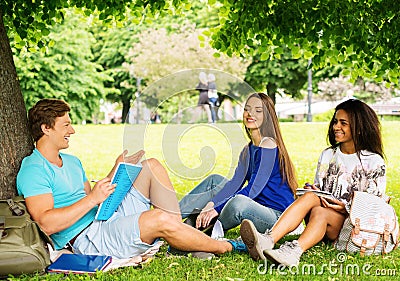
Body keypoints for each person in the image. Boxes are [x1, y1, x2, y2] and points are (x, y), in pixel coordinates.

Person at [16, 99, 246, 260]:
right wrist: (92, 200)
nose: (73, 130)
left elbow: (90, 197)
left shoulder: (72, 161)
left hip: (103, 219)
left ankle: (180, 239)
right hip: (88, 239)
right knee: (158, 219)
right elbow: (46, 223)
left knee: (151, 166)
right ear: (46, 128)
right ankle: (226, 247)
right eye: (66, 124)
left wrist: (116, 170)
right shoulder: (33, 169)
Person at [240, 98, 387, 266]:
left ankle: (294, 251)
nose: (336, 127)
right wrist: (314, 190)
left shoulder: (374, 162)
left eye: (343, 123)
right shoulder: (328, 155)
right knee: (311, 197)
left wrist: (345, 207)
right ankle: (268, 239)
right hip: (321, 217)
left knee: (320, 212)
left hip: (350, 224)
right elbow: (322, 190)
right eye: (335, 122)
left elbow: (374, 205)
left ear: (359, 127)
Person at [179, 93, 298, 235]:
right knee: (215, 181)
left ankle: (208, 229)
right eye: (247, 109)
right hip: (256, 205)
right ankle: (169, 219)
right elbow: (234, 184)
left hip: (277, 217)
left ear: (268, 116)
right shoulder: (247, 150)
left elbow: (252, 190)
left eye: (258, 110)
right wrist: (211, 204)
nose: (250, 113)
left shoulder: (269, 146)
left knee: (239, 202)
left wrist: (215, 209)